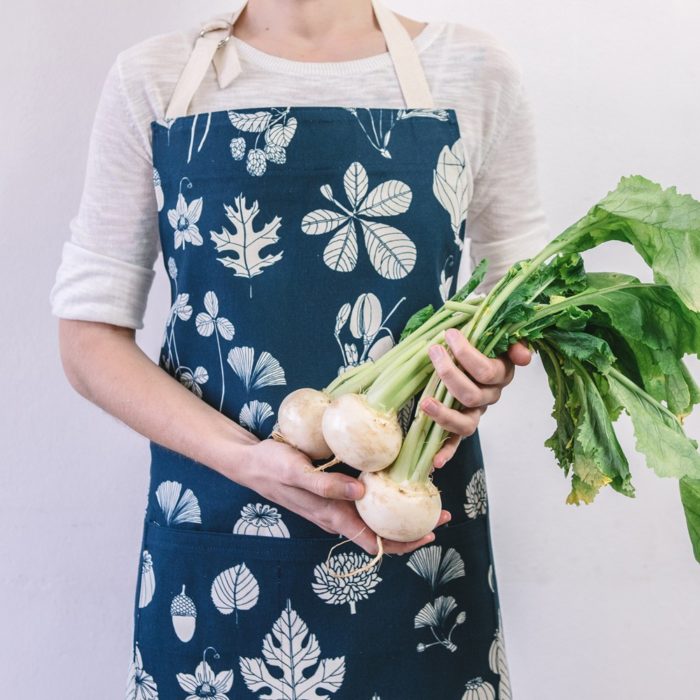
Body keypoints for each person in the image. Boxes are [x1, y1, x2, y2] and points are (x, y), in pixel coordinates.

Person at [50, 0, 549, 697]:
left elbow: (520, 297)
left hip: (412, 537)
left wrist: (487, 372)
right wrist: (247, 462)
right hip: (215, 523)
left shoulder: (472, 69)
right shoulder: (155, 79)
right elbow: (86, 336)